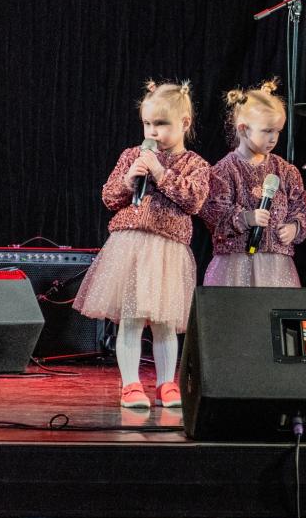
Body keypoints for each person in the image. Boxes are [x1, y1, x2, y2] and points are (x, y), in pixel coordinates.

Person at [74, 81, 210, 409]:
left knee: (164, 323)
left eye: (161, 124)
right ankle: (131, 385)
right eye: (147, 124)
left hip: (167, 251)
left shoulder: (196, 164)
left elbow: (194, 201)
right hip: (131, 248)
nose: (153, 131)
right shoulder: (131, 156)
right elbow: (109, 197)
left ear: (184, 123)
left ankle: (167, 384)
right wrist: (128, 180)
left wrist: (161, 173)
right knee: (131, 318)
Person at [201, 79, 306, 287]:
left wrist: (294, 227)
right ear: (243, 129)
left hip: (276, 267)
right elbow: (214, 212)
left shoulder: (285, 171)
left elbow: (300, 206)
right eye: (267, 131)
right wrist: (246, 218)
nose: (273, 138)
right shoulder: (224, 170)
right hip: (236, 263)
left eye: (277, 131)